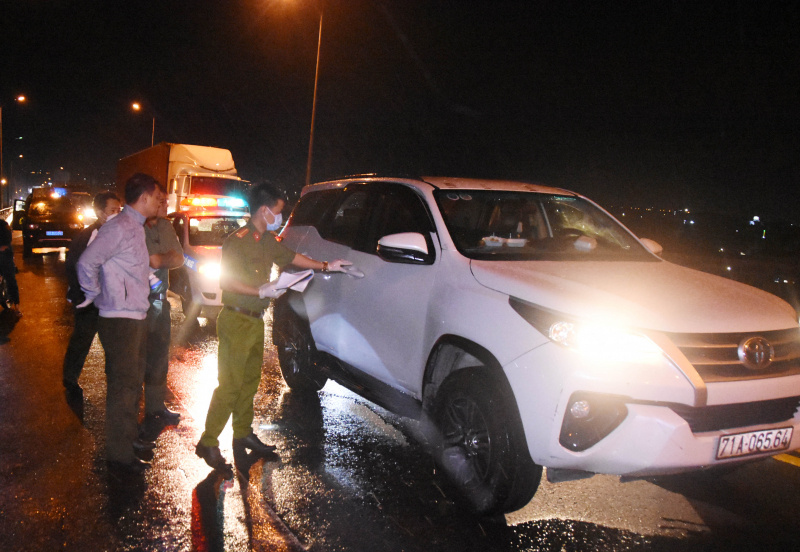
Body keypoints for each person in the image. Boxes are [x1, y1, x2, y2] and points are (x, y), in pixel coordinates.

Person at [195, 182, 350, 472]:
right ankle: (208, 441)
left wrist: (327, 265)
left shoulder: (265, 239)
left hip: (254, 321)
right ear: (264, 210)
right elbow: (226, 282)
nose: (280, 217)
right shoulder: (237, 241)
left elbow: (291, 257)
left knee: (249, 381)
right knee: (229, 385)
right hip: (236, 319)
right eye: (278, 211)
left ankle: (242, 432)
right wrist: (260, 291)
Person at [77, 173, 163, 473]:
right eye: (157, 197)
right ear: (144, 198)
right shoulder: (121, 227)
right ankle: (119, 455)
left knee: (130, 383)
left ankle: (126, 441)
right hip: (120, 318)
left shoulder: (135, 227)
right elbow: (88, 262)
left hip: (133, 315)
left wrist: (149, 283)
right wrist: (94, 292)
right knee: (123, 388)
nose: (160, 203)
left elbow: (132, 267)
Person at [62, 191, 122, 402]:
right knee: (81, 341)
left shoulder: (117, 235)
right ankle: (70, 379)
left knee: (114, 346)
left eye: (119, 210)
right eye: (113, 210)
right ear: (100, 212)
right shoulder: (87, 237)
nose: (117, 214)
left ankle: (116, 385)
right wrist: (81, 296)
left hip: (111, 304)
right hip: (89, 304)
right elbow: (73, 267)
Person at [143, 189, 183, 425]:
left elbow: (177, 258)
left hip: (160, 302)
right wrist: (161, 257)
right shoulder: (136, 227)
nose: (165, 203)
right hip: (136, 305)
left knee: (159, 357)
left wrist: (161, 258)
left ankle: (155, 407)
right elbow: (150, 260)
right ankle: (130, 422)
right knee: (137, 361)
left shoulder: (166, 226)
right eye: (161, 200)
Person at [0, 218, 22, 317]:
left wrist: (3, 247)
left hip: (4, 255)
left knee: (10, 279)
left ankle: (17, 307)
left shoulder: (3, 225)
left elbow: (7, 240)